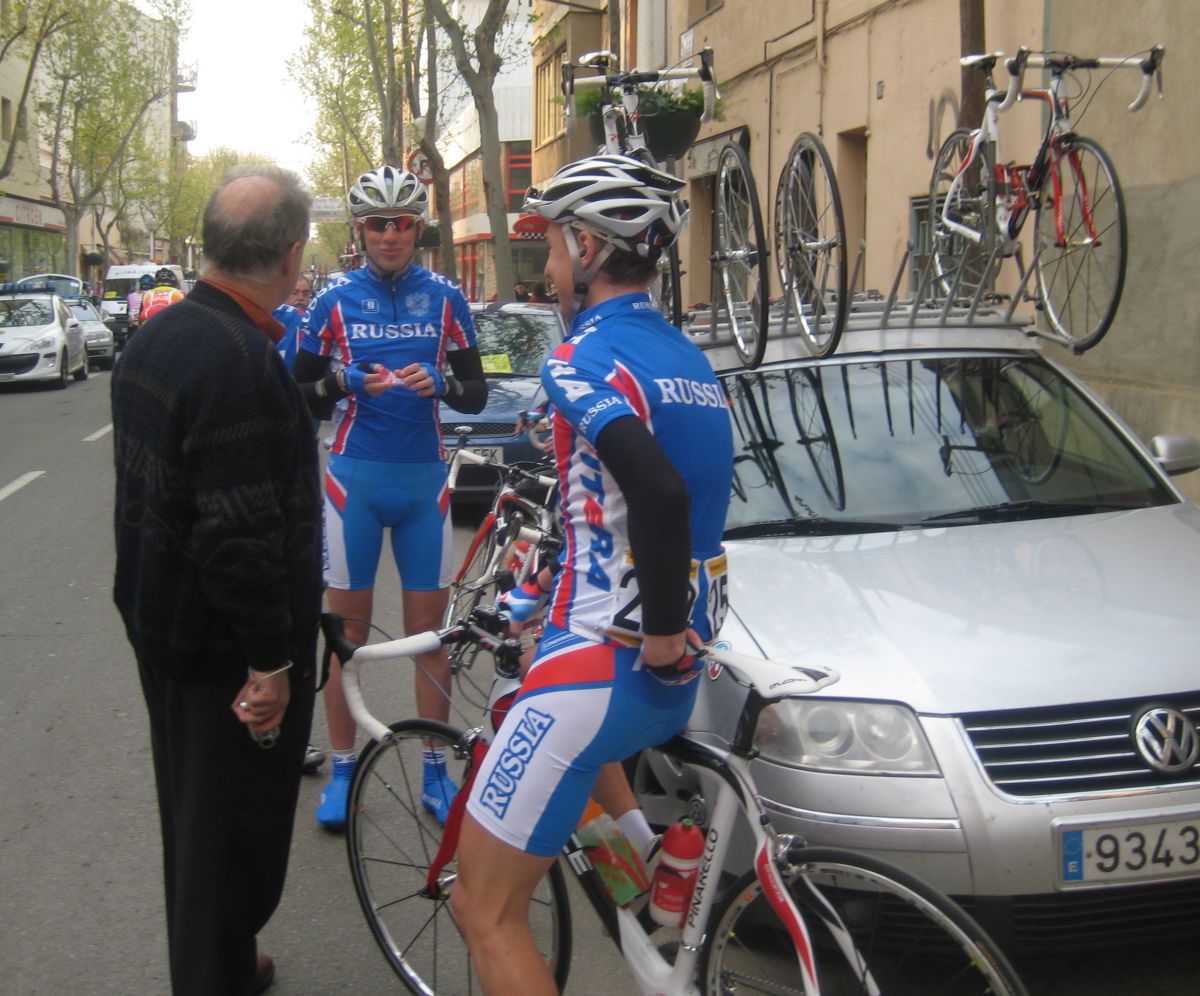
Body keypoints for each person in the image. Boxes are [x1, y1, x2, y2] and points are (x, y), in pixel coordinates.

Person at [450, 153, 734, 994]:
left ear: (588, 246)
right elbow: (630, 506)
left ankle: (650, 885)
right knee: (578, 771)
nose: (548, 268)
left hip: (605, 668)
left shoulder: (581, 356)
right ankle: (653, 873)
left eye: (553, 247)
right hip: (667, 679)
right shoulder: (690, 359)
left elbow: (657, 491)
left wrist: (656, 631)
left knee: (483, 911)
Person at [111, 165, 321, 996]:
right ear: (291, 255)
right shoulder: (239, 360)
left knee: (195, 819)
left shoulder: (158, 335)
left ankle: (228, 961)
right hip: (220, 651)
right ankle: (212, 974)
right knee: (229, 839)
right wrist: (271, 661)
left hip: (163, 626)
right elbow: (237, 536)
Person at [292, 165, 488, 831]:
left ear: (418, 228)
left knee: (428, 638)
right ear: (359, 230)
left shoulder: (448, 298)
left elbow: (476, 393)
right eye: (377, 223)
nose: (390, 235)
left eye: (402, 222)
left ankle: (435, 771)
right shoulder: (332, 300)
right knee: (346, 636)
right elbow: (296, 393)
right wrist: (342, 383)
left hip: (423, 485)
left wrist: (443, 383)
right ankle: (345, 771)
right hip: (354, 483)